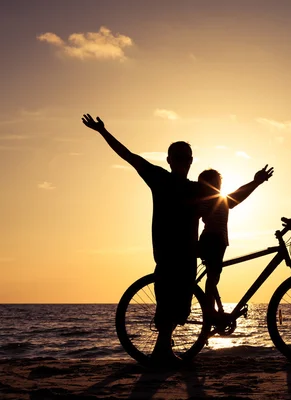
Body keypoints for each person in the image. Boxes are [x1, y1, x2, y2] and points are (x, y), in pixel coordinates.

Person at [81, 114, 207, 366]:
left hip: (179, 253)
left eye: (184, 158)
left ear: (186, 161)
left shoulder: (189, 186)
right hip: (173, 254)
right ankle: (162, 351)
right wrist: (103, 132)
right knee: (173, 303)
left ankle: (163, 349)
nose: (182, 162)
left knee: (178, 306)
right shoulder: (166, 180)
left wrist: (255, 183)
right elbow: (129, 156)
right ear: (172, 160)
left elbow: (230, 201)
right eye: (179, 158)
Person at [196, 165, 274, 318]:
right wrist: (256, 182)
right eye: (212, 184)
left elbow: (238, 194)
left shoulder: (221, 200)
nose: (216, 188)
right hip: (213, 240)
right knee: (212, 276)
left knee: (214, 275)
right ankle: (209, 311)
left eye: (217, 184)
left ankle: (210, 310)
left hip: (218, 241)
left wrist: (255, 182)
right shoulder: (207, 201)